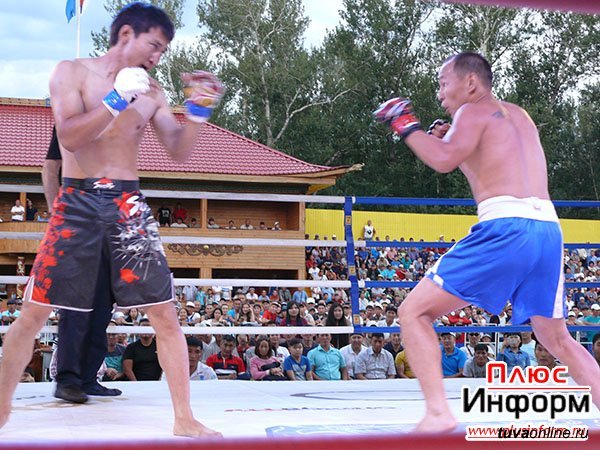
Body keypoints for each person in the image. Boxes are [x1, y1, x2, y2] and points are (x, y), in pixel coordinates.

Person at [0, 3, 224, 437]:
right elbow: (69, 136)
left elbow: (178, 149)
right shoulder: (72, 72)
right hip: (77, 199)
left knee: (164, 314)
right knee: (33, 313)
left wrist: (198, 110)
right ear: (126, 35)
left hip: (127, 203)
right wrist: (115, 100)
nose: (157, 56)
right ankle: (1, 408)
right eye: (153, 46)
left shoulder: (153, 91)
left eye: (163, 50)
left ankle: (184, 418)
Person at [377, 51, 600, 432]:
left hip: (507, 227)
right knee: (557, 337)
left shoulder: (472, 111)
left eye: (443, 84)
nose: (439, 94)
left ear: (470, 82)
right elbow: (490, 165)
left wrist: (406, 125)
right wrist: (450, 140)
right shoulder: (520, 116)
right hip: (548, 229)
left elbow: (443, 160)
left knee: (413, 312)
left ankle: (437, 414)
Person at [41, 126, 121, 403]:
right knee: (75, 305)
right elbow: (50, 168)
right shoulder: (72, 118)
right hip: (76, 220)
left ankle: (88, 378)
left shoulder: (120, 119)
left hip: (110, 223)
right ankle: (68, 380)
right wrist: (56, 214)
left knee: (102, 306)